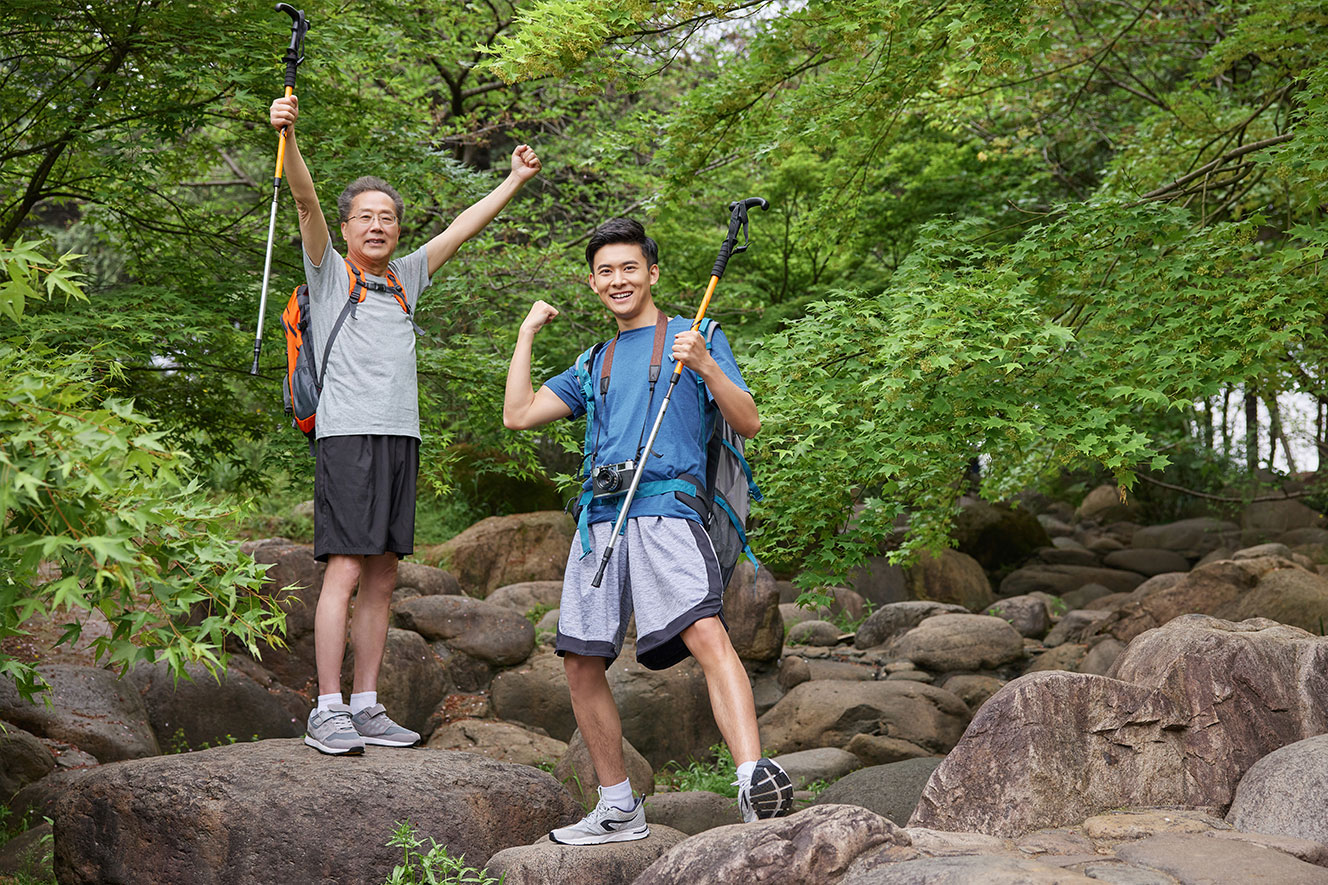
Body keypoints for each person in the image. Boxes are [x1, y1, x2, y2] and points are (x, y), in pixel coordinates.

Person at [502, 217, 793, 843]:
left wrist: (708, 368)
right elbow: (518, 414)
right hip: (600, 519)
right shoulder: (594, 362)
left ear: (652, 273)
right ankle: (617, 807)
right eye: (605, 271)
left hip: (666, 509)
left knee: (706, 632)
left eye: (629, 267)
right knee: (580, 661)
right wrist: (526, 333)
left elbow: (749, 421)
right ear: (592, 283)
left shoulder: (698, 335)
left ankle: (753, 781)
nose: (618, 280)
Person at [268, 94, 541, 755]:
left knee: (384, 572)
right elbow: (304, 201)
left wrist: (514, 179)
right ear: (345, 227)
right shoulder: (329, 274)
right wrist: (289, 136)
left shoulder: (404, 279)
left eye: (387, 217)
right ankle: (326, 708)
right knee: (344, 570)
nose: (378, 225)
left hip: (400, 438)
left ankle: (366, 704)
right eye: (365, 216)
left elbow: (461, 229)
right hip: (347, 436)